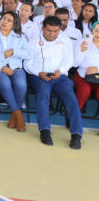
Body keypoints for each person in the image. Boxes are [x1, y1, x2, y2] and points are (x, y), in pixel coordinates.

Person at [24, 16, 82, 149]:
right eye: (49, 30)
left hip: (59, 76)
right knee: (43, 95)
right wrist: (39, 72)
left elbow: (69, 61)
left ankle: (76, 134)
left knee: (71, 98)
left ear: (60, 30)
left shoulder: (65, 40)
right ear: (42, 28)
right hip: (39, 76)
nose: (52, 34)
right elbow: (27, 63)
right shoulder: (33, 41)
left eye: (56, 31)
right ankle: (44, 130)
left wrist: (60, 71)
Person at [0, 11, 30, 132]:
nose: (5, 22)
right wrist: (1, 67)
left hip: (15, 67)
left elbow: (28, 53)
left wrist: (14, 51)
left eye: (9, 20)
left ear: (14, 24)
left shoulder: (20, 36)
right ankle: (18, 115)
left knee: (21, 84)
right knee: (5, 82)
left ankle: (13, 116)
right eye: (4, 19)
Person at [74, 23, 99, 111]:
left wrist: (97, 69)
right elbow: (75, 64)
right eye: (96, 31)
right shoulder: (83, 41)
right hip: (82, 75)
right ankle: (73, 116)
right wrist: (82, 51)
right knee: (84, 90)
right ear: (92, 31)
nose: (98, 34)